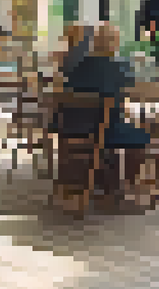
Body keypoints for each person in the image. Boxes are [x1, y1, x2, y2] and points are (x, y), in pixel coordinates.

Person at [61, 23, 152, 197]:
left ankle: (104, 179)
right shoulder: (117, 69)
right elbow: (131, 89)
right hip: (104, 129)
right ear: (113, 45)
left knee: (116, 126)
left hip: (72, 128)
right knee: (142, 136)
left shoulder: (78, 67)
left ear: (94, 43)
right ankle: (125, 187)